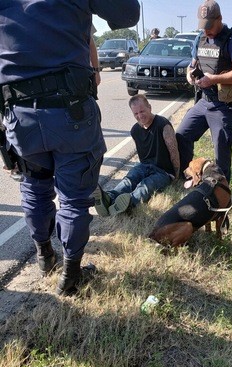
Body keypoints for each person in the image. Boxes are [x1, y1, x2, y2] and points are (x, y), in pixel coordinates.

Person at [0, 1, 140, 296]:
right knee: (74, 200)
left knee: (34, 187)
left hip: (20, 115)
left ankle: (44, 255)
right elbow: (128, 13)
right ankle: (70, 275)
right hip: (70, 112)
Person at [175, 0, 232, 182]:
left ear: (220, 19)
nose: (206, 30)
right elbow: (192, 65)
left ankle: (221, 192)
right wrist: (189, 75)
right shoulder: (199, 39)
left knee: (221, 150)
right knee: (182, 135)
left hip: (223, 106)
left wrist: (213, 79)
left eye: (209, 26)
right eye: (203, 26)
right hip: (203, 102)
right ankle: (190, 177)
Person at [93, 94, 180, 217]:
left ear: (149, 107)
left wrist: (175, 175)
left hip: (163, 171)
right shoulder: (135, 130)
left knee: (145, 186)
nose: (140, 116)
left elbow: (174, 152)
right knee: (129, 180)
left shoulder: (163, 124)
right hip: (144, 166)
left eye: (142, 111)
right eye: (136, 114)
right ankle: (109, 198)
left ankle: (127, 204)